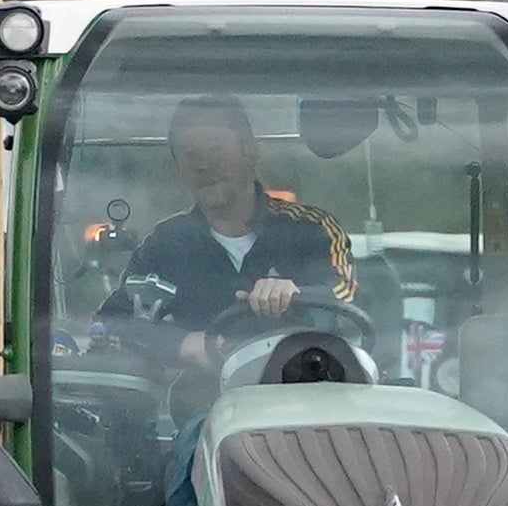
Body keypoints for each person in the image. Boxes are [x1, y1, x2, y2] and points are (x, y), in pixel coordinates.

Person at [119, 96, 359, 362]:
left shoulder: (312, 231)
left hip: (300, 391)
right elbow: (113, 322)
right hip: (196, 398)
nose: (203, 165)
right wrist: (183, 343)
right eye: (190, 155)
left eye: (216, 149)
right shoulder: (164, 244)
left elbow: (345, 296)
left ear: (251, 151)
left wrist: (295, 295)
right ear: (178, 168)